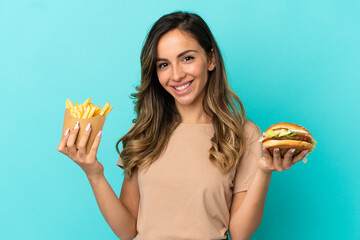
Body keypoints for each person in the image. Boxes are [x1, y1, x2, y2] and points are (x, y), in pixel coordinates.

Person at [57, 11, 309, 240]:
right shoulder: (145, 132)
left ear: (211, 59)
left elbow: (241, 233)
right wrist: (94, 173)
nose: (176, 75)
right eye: (163, 64)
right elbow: (126, 230)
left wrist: (264, 171)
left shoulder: (243, 134)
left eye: (186, 58)